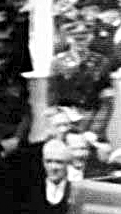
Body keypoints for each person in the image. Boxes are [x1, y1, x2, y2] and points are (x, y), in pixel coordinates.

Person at [47, 13, 115, 142]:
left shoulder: (101, 62)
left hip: (92, 118)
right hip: (66, 119)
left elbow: (107, 102)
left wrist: (95, 131)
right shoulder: (58, 62)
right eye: (76, 39)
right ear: (68, 39)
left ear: (90, 38)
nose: (80, 43)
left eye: (83, 38)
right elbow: (52, 99)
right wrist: (60, 125)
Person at [0, 32, 32, 159]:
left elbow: (26, 113)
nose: (3, 62)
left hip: (16, 140)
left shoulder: (19, 81)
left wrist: (17, 138)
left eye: (6, 57)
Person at [21, 139, 71, 214]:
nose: (53, 167)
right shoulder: (31, 190)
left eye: (59, 162)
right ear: (43, 162)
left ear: (68, 163)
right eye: (49, 161)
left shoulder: (74, 190)